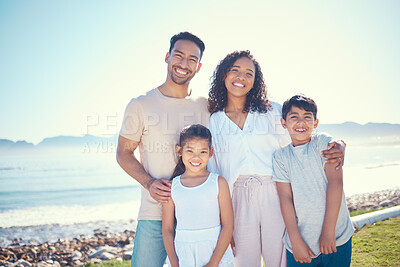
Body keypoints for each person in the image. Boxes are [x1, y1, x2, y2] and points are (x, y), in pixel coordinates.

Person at [207, 50, 346, 267]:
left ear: (255, 81)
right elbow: (215, 171)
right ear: (224, 74)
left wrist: (340, 145)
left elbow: (302, 137)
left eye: (248, 73)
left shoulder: (271, 110)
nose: (241, 77)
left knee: (279, 261)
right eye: (235, 71)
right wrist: (222, 220)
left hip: (275, 191)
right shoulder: (215, 121)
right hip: (237, 197)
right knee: (242, 261)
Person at [116, 32, 209, 267]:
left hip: (199, 213)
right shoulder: (140, 104)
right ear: (167, 57)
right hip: (154, 213)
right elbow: (123, 153)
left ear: (198, 67)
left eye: (191, 59)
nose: (183, 64)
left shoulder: (207, 106)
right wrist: (149, 183)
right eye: (178, 56)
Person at [272, 95, 354, 266]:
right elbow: (285, 199)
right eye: (294, 117)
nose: (301, 122)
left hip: (337, 236)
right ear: (284, 123)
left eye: (307, 117)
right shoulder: (280, 157)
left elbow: (336, 183)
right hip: (302, 243)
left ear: (315, 123)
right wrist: (295, 240)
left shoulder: (322, 142)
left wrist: (328, 231)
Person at [162, 124, 234, 267]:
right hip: (184, 253)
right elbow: (168, 229)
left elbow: (228, 225)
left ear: (210, 152)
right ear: (179, 151)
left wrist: (213, 263)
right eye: (190, 151)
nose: (196, 157)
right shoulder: (172, 187)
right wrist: (175, 263)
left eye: (202, 152)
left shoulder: (218, 183)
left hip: (214, 252)